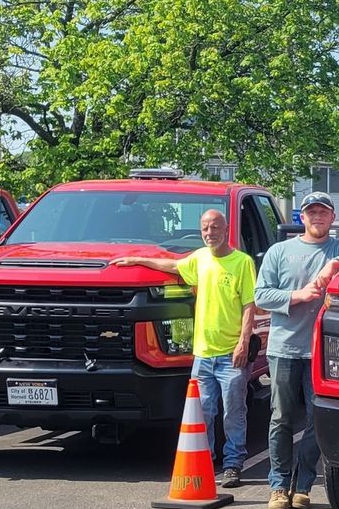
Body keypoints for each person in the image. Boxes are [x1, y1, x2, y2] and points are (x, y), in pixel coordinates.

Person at [110, 208, 261, 488]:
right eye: (205, 228)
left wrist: (243, 342)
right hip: (203, 355)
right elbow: (172, 266)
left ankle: (233, 464)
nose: (209, 233)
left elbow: (249, 305)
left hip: (231, 355)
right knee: (202, 412)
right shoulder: (199, 258)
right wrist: (136, 260)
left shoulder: (242, 262)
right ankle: (206, 461)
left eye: (215, 227)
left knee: (233, 412)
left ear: (226, 229)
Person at [254, 191, 339, 509]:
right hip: (284, 349)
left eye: (323, 212)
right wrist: (297, 296)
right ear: (302, 217)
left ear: (332, 217)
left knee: (317, 420)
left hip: (322, 354)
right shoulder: (280, 251)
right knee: (281, 418)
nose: (317, 217)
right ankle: (278, 486)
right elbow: (261, 296)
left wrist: (336, 264)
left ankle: (303, 486)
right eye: (312, 212)